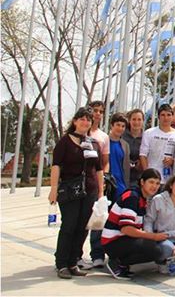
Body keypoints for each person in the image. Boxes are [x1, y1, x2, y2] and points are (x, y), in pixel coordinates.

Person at [49, 107, 104, 279]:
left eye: (88, 119)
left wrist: (101, 192)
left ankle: (73, 261)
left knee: (82, 227)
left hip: (90, 189)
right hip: (70, 190)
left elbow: (99, 169)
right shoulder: (65, 142)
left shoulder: (94, 143)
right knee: (69, 225)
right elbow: (56, 165)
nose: (85, 122)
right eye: (82, 119)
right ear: (75, 121)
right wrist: (53, 190)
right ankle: (62, 263)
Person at [102, 168, 167, 280]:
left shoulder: (142, 198)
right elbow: (126, 229)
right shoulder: (132, 197)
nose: (154, 186)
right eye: (151, 182)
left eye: (157, 183)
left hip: (124, 240)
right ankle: (117, 262)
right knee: (153, 249)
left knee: (155, 247)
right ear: (142, 182)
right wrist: (153, 236)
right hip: (113, 242)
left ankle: (122, 264)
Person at [85, 100, 111, 269]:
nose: (98, 114)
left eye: (101, 111)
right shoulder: (79, 133)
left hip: (96, 182)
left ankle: (97, 254)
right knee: (77, 222)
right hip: (79, 183)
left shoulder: (103, 137)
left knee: (97, 219)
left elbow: (104, 162)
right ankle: (74, 255)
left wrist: (103, 180)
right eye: (95, 110)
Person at [140, 103, 175, 184]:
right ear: (158, 117)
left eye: (168, 115)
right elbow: (143, 155)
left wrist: (173, 161)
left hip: (170, 180)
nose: (166, 118)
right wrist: (147, 174)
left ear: (172, 116)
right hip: (152, 179)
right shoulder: (149, 133)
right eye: (163, 115)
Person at [107, 113, 131, 201]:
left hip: (120, 184)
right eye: (118, 125)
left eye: (123, 126)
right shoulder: (104, 141)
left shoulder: (125, 145)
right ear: (112, 125)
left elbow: (126, 168)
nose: (120, 128)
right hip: (106, 182)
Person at [122, 108, 145, 185]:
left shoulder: (146, 137)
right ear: (129, 120)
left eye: (139, 120)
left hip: (139, 176)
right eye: (134, 119)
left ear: (143, 121)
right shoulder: (122, 136)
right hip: (123, 174)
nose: (136, 122)